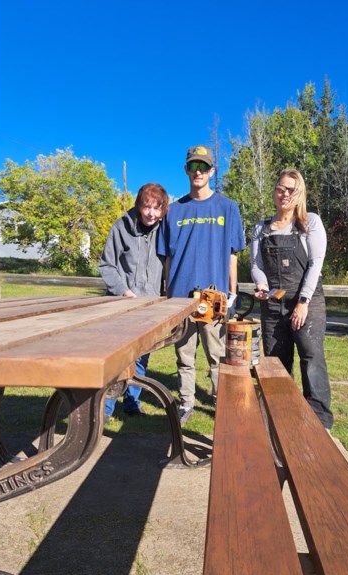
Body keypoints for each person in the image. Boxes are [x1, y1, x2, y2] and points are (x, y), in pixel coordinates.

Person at [157, 145, 245, 423]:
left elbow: (233, 255)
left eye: (203, 167)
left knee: (217, 357)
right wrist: (166, 292)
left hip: (214, 297)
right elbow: (167, 258)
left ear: (212, 171)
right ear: (186, 170)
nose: (198, 172)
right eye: (193, 167)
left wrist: (232, 295)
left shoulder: (228, 208)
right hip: (180, 297)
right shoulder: (173, 211)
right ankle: (186, 403)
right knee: (184, 355)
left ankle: (222, 404)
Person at [251, 168, 334, 431]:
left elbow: (315, 264)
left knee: (311, 358)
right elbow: (255, 264)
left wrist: (303, 301)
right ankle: (280, 417)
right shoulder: (260, 228)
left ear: (300, 194)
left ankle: (319, 423)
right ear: (274, 190)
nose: (284, 193)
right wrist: (262, 285)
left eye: (291, 189)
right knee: (276, 363)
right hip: (273, 305)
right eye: (280, 188)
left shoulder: (310, 223)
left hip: (306, 302)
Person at [98, 182, 169, 420]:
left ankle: (132, 404)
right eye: (146, 206)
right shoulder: (121, 227)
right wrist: (123, 291)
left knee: (141, 359)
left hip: (150, 308)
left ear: (162, 209)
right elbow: (107, 264)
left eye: (156, 208)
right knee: (116, 359)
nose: (151, 213)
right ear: (139, 206)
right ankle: (106, 409)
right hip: (122, 305)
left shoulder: (165, 230)